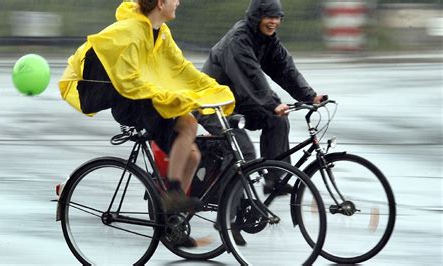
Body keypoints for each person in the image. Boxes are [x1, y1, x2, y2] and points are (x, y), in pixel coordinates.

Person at [58, 0, 235, 215]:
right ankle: (172, 197)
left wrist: (214, 89)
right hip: (128, 103)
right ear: (160, 3)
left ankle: (174, 218)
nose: (178, 2)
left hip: (145, 100)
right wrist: (167, 95)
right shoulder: (130, 32)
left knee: (193, 156)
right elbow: (128, 81)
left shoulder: (161, 32)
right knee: (189, 123)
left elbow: (181, 69)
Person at [198, 0, 326, 195]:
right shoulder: (238, 40)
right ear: (256, 17)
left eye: (278, 17)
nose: (274, 22)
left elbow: (285, 69)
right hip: (212, 105)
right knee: (243, 150)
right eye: (269, 17)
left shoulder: (267, 40)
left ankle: (274, 180)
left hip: (238, 102)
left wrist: (310, 96)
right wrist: (273, 103)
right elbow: (250, 75)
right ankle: (228, 210)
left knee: (277, 121)